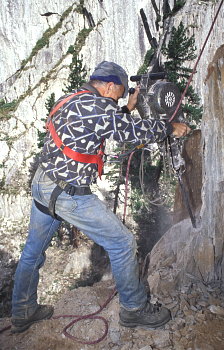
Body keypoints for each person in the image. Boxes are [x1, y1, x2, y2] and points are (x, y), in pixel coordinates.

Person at [11, 61, 191, 333]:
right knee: (122, 243)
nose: (119, 97)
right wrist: (168, 127)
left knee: (32, 254)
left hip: (44, 183)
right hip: (68, 194)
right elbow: (128, 131)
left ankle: (23, 311)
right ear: (108, 86)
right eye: (119, 93)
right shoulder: (98, 108)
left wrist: (126, 108)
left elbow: (100, 120)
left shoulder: (73, 98)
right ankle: (134, 309)